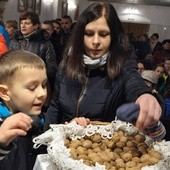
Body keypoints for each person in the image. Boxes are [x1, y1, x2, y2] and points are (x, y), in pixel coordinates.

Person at [44, 2, 164, 136]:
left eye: (103, 34)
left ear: (113, 37)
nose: (95, 41)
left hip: (103, 149)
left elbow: (133, 81)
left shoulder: (122, 64)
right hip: (63, 146)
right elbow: (55, 107)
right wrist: (46, 140)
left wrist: (144, 95)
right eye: (89, 34)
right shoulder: (67, 64)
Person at [0, 50, 47, 170]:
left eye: (44, 85)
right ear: (5, 92)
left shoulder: (40, 120)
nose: (42, 93)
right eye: (32, 88)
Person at [9, 12, 57, 109]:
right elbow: (9, 62)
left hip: (36, 86)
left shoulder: (44, 43)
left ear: (36, 26)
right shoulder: (14, 42)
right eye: (21, 23)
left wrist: (35, 73)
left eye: (27, 23)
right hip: (18, 85)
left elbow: (52, 68)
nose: (23, 26)